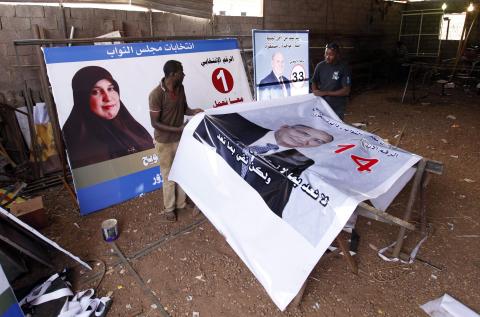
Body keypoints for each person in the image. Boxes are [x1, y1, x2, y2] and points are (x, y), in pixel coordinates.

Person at [193, 113, 333, 217]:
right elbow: (199, 137)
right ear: (285, 126)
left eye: (317, 141)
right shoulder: (238, 122)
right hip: (211, 185)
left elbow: (276, 206)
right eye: (303, 132)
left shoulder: (298, 166)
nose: (304, 139)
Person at [62, 66, 154, 169]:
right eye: (95, 92)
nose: (108, 97)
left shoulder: (132, 127)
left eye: (110, 89)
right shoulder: (81, 141)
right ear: (82, 98)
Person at [149, 60, 203, 222]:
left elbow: (184, 108)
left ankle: (180, 203)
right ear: (172, 75)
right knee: (168, 175)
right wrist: (178, 129)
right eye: (181, 72)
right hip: (164, 141)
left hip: (180, 139)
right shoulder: (156, 94)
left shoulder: (180, 88)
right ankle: (169, 208)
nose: (184, 75)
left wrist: (194, 111)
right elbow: (154, 123)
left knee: (182, 172)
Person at [311, 43, 352, 120]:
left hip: (337, 105)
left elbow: (346, 91)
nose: (327, 57)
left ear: (337, 55)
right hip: (322, 103)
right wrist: (315, 91)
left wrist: (326, 93)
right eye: (326, 53)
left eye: (331, 55)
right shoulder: (320, 66)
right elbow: (314, 81)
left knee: (337, 125)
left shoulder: (344, 67)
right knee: (322, 124)